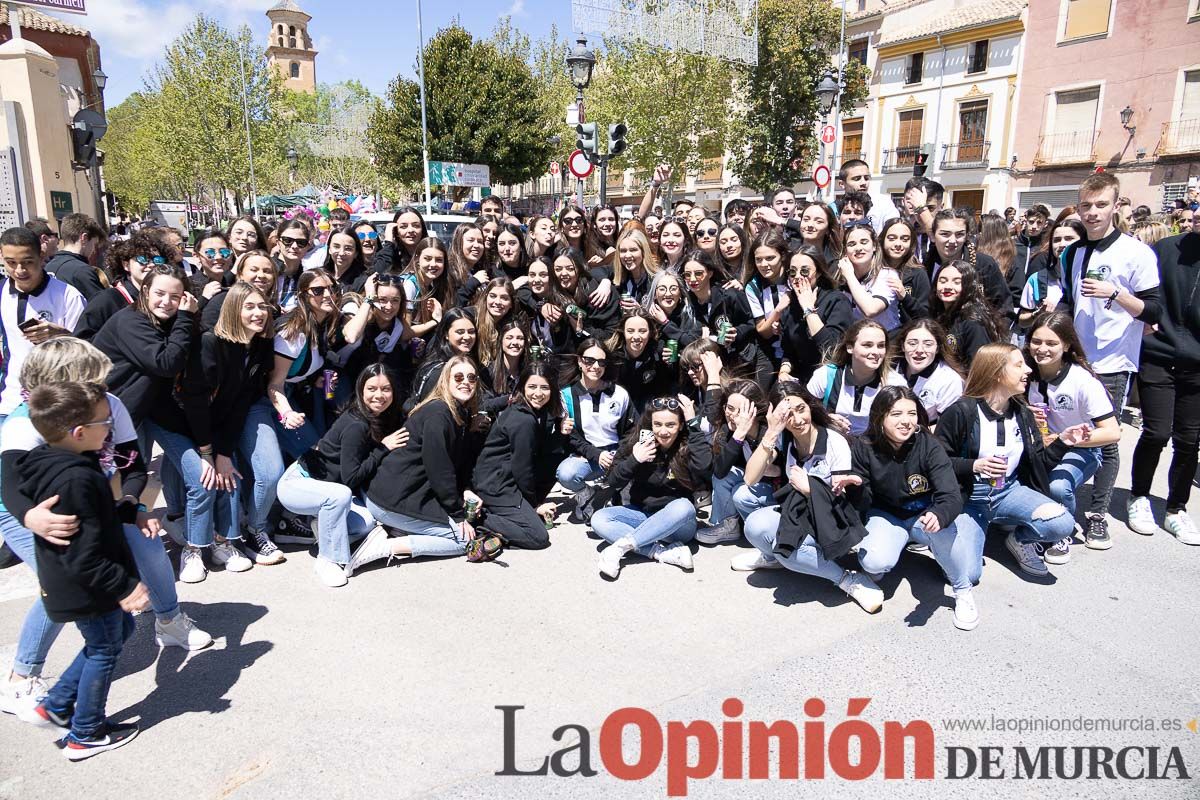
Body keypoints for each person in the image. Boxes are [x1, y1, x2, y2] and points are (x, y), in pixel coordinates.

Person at [0, 339, 211, 723]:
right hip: (27, 513)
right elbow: (10, 486)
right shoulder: (24, 421)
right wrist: (31, 517)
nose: (106, 388)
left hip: (95, 502)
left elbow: (132, 466)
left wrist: (134, 505)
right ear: (64, 385)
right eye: (94, 381)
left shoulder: (107, 406)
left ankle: (169, 620)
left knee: (147, 548)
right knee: (65, 581)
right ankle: (22, 677)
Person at [17, 382, 148, 759]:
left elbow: (92, 520)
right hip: (87, 584)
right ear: (79, 433)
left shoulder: (58, 461)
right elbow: (83, 556)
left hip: (72, 580)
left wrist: (127, 509)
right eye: (104, 421)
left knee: (118, 631)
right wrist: (125, 587)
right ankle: (85, 733)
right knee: (104, 648)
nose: (110, 427)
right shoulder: (76, 477)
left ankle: (56, 705)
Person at [1059, 173, 1161, 545]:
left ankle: (1097, 513)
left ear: (1116, 206)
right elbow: (1070, 303)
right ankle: (1062, 505)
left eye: (1101, 205)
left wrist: (1116, 292)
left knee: (1106, 440)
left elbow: (1153, 312)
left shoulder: (1137, 253)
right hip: (1076, 359)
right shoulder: (1074, 252)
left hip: (1114, 362)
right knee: (1066, 430)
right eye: (1086, 205)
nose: (1092, 212)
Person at [163, 281, 285, 576]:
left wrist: (225, 452)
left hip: (216, 419)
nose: (258, 313)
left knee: (229, 477)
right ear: (233, 309)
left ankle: (223, 542)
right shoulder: (210, 342)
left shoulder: (258, 344)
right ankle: (193, 549)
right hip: (179, 420)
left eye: (262, 307)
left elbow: (239, 403)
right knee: (204, 479)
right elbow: (194, 402)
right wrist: (208, 451)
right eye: (250, 307)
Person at [733, 382, 884, 613]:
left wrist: (810, 488)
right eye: (787, 415)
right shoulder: (785, 439)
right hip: (803, 512)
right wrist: (772, 431)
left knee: (787, 551)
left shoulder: (834, 442)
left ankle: (847, 579)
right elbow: (750, 479)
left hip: (833, 520)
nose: (797, 419)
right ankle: (773, 558)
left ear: (810, 406)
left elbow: (842, 502)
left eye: (801, 409)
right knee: (754, 525)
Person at [934, 344, 1079, 578]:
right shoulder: (962, 411)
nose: (1029, 370)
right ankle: (956, 536)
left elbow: (1039, 465)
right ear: (996, 373)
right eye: (1019, 364)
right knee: (965, 575)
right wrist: (973, 465)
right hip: (969, 498)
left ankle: (1019, 539)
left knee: (1062, 524)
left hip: (1009, 492)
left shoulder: (1022, 412)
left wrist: (1064, 441)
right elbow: (936, 463)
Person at [848, 386, 977, 630]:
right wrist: (854, 487)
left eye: (912, 413)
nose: (906, 421)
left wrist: (939, 514)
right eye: (896, 414)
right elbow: (863, 502)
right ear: (880, 417)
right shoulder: (864, 447)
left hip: (923, 515)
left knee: (964, 565)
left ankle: (963, 592)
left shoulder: (929, 444)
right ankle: (894, 547)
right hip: (887, 515)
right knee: (874, 562)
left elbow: (950, 493)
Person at [277, 364, 408, 586]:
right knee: (339, 495)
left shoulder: (380, 418)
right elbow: (351, 478)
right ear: (361, 391)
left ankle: (313, 525)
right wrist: (383, 448)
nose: (379, 395)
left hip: (325, 486)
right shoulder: (357, 424)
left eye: (386, 389)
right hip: (298, 484)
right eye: (372, 389)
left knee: (364, 523)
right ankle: (329, 560)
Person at [354, 355, 483, 571]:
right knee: (463, 540)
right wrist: (457, 515)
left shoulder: (458, 413)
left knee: (468, 527)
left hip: (406, 492)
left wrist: (466, 490)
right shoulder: (438, 413)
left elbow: (455, 465)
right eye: (458, 376)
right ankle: (386, 546)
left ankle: (399, 530)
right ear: (446, 380)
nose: (466, 382)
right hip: (391, 499)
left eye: (471, 378)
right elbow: (440, 469)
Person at [1128, 211, 1200, 544]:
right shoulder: (1166, 249)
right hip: (1158, 356)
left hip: (1197, 366)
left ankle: (1176, 508)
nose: (1196, 215)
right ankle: (1139, 496)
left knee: (1189, 441)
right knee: (1156, 432)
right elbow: (1145, 292)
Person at [1025, 311, 1121, 556]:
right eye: (1036, 341)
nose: (1041, 349)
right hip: (1040, 445)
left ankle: (1062, 532)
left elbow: (1112, 432)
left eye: (1051, 343)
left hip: (1081, 449)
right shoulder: (1025, 374)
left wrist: (1067, 438)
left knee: (1057, 486)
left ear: (1066, 345)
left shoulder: (1083, 382)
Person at [592, 396, 712, 578]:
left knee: (684, 506)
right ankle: (660, 552)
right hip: (643, 514)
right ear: (651, 424)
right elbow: (613, 481)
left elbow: (705, 467)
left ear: (680, 425)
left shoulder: (688, 445)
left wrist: (693, 424)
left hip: (677, 524)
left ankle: (620, 547)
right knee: (599, 519)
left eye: (670, 425)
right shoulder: (639, 442)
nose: (663, 431)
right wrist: (634, 460)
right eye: (658, 424)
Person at [470, 364, 569, 550]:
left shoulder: (537, 413)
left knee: (553, 458)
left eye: (544, 387)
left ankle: (510, 519)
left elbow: (545, 452)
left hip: (505, 477)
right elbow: (522, 469)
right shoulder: (523, 419)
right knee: (538, 536)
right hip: (496, 484)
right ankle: (480, 518)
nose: (538, 393)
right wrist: (533, 506)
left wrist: (561, 433)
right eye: (532, 387)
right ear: (522, 387)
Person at [0, 227, 86, 424]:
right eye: (11, 263)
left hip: (56, 405)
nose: (20, 270)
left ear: (41, 255)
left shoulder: (67, 295)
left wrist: (62, 334)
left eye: (27, 262)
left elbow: (88, 349)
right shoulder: (1, 293)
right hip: (9, 403)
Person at [557, 339, 633, 520]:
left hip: (617, 453)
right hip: (589, 456)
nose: (595, 366)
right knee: (566, 474)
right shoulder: (566, 395)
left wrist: (619, 455)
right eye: (589, 360)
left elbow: (631, 430)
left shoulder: (619, 393)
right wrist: (596, 454)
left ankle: (612, 491)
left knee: (626, 507)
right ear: (579, 361)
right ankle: (586, 493)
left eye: (601, 362)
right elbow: (572, 437)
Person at [268, 269, 342, 457]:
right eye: (318, 290)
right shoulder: (293, 331)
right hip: (273, 401)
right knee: (313, 452)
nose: (328, 295)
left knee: (321, 443)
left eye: (332, 289)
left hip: (299, 392)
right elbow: (274, 384)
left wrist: (314, 379)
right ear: (303, 295)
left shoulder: (322, 322)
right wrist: (287, 414)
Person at [697, 380, 778, 544]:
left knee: (741, 493)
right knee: (725, 477)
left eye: (740, 411)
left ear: (754, 411)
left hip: (776, 491)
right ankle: (730, 526)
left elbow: (775, 471)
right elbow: (719, 472)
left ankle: (763, 536)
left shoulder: (768, 431)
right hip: (752, 484)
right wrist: (739, 436)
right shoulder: (730, 430)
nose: (731, 415)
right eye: (729, 408)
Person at [806, 319, 907, 436]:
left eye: (881, 346)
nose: (875, 352)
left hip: (875, 447)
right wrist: (825, 419)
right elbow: (804, 408)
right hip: (833, 443)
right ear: (850, 347)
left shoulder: (894, 382)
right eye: (867, 345)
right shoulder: (827, 375)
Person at [777, 245, 852, 384]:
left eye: (804, 271)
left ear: (818, 273)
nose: (797, 277)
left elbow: (832, 350)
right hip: (802, 378)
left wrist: (809, 310)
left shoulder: (837, 300)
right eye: (792, 272)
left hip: (831, 378)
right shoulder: (790, 305)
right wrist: (784, 371)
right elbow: (789, 352)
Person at [924, 209, 1010, 320]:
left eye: (959, 234)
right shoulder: (924, 265)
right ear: (932, 235)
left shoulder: (984, 265)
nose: (952, 241)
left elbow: (1004, 308)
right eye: (945, 234)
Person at [929, 260, 1004, 362]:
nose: (947, 287)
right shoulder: (939, 314)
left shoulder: (973, 322)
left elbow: (978, 365)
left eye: (956, 282)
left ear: (968, 286)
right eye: (943, 281)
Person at [1018, 219, 1086, 328]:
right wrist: (1038, 313)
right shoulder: (1037, 279)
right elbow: (1022, 321)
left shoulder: (1092, 276)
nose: (1062, 244)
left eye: (1069, 239)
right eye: (1057, 240)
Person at [896, 318, 964, 423]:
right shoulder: (889, 370)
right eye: (912, 343)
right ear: (903, 345)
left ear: (937, 348)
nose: (919, 350)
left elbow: (946, 428)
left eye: (928, 344)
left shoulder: (950, 380)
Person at [837, 222, 901, 330]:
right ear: (845, 251)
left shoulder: (888, 275)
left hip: (888, 338)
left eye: (864, 242)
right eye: (852, 244)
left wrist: (849, 275)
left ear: (874, 246)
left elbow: (870, 310)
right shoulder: (840, 278)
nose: (858, 248)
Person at [608, 309, 672, 415]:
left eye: (642, 331)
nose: (636, 337)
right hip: (617, 406)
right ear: (622, 331)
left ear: (650, 332)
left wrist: (669, 365)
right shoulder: (611, 355)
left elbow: (666, 385)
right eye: (630, 331)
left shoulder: (658, 352)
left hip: (647, 408)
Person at [879, 218, 931, 325]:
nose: (898, 244)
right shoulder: (873, 270)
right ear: (882, 240)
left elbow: (926, 315)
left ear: (911, 243)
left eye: (904, 239)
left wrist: (905, 297)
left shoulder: (918, 273)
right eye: (892, 238)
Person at [44, 213, 106, 301]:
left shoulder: (48, 267)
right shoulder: (82, 271)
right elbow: (102, 306)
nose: (93, 250)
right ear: (84, 238)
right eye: (94, 244)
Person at [836, 158, 900, 234]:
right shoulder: (833, 208)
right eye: (857, 179)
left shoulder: (884, 203)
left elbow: (895, 229)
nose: (864, 183)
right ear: (842, 184)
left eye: (866, 178)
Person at [375, 207, 428, 274]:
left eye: (415, 226)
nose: (410, 230)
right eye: (404, 227)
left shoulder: (433, 253)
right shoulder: (389, 257)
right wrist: (388, 242)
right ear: (396, 232)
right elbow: (377, 273)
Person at [322, 226, 368, 293]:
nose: (341, 253)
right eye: (336, 247)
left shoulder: (362, 281)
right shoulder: (320, 275)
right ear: (329, 249)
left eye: (348, 248)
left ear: (356, 253)